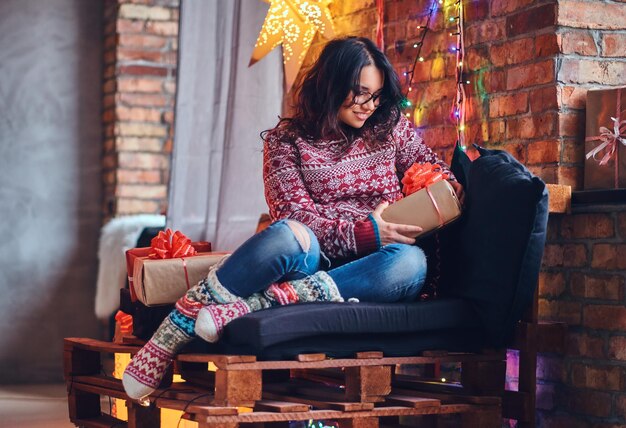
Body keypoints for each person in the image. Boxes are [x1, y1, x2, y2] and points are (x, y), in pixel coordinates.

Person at [122, 36, 464, 401]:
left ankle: (256, 303)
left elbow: (432, 168)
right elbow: (297, 216)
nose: (369, 105)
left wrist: (443, 187)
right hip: (312, 255)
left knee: (411, 264)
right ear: (331, 84)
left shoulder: (390, 127)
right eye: (360, 92)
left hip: (373, 271)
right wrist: (366, 233)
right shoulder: (286, 141)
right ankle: (179, 323)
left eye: (377, 95)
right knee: (287, 233)